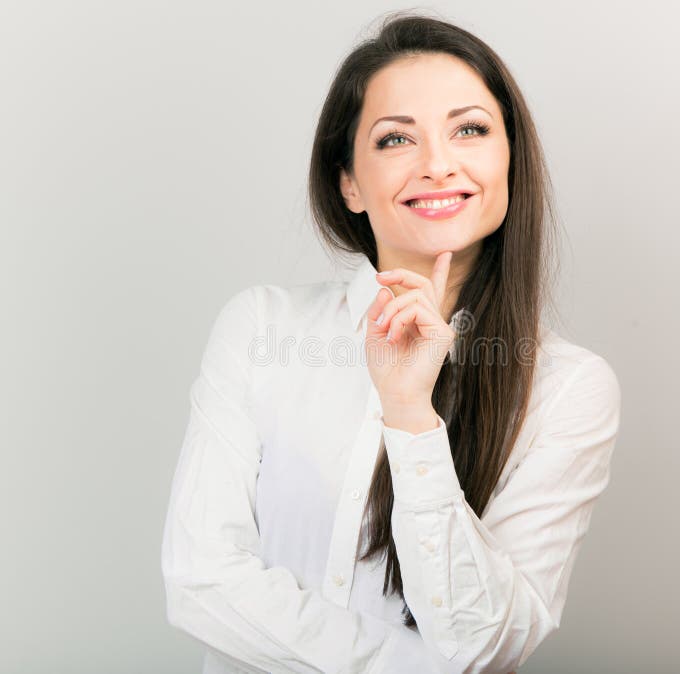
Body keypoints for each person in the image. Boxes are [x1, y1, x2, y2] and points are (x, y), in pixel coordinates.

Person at [161, 11, 621, 674]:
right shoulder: (261, 329)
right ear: (349, 181)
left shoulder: (567, 389)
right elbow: (200, 581)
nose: (437, 165)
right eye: (395, 139)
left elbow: (482, 642)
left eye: (470, 129)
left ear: (510, 160)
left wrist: (410, 417)